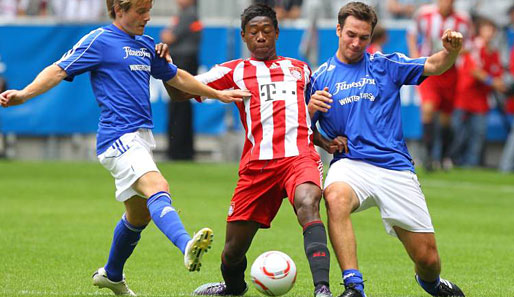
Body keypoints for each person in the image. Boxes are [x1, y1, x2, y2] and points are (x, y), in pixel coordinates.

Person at [0, 0, 249, 296]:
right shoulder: (99, 40)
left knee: (139, 215)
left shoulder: (146, 44)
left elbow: (177, 76)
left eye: (149, 10)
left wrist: (216, 94)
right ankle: (186, 246)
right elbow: (58, 69)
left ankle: (112, 275)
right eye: (141, 11)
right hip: (117, 137)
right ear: (119, 9)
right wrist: (24, 95)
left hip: (141, 138)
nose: (148, 17)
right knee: (158, 185)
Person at [167, 4, 333, 297]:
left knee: (308, 204)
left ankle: (322, 289)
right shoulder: (233, 71)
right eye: (253, 32)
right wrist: (166, 67)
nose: (260, 37)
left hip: (299, 157)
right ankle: (233, 287)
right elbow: (179, 92)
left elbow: (304, 116)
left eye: (266, 31)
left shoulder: (301, 69)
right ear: (244, 36)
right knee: (232, 252)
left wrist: (324, 141)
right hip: (258, 167)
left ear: (277, 33)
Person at [307, 2, 466, 297]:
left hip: (395, 167)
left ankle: (430, 282)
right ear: (338, 30)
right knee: (335, 197)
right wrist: (316, 124)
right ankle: (354, 286)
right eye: (351, 34)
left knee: (428, 260)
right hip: (350, 163)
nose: (356, 43)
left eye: (363, 37)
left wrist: (451, 51)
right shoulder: (319, 78)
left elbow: (433, 65)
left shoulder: (385, 64)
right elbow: (302, 129)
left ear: (371, 37)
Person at [407, 0, 471, 171]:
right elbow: (411, 33)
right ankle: (427, 155)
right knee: (428, 108)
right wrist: (414, 54)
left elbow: (469, 45)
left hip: (450, 71)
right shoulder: (424, 14)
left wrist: (453, 50)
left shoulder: (462, 20)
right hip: (429, 66)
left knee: (445, 118)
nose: (446, 3)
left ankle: (443, 156)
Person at [449, 17, 505, 167]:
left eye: (492, 30)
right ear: (480, 31)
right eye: (487, 29)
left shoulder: (493, 52)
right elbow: (475, 71)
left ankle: (470, 166)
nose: (490, 33)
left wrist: (498, 82)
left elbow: (497, 72)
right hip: (464, 97)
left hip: (481, 101)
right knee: (458, 135)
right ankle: (450, 161)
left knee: (478, 136)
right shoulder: (473, 47)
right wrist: (493, 82)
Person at [160, 0, 201, 160]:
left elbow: (169, 36)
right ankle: (183, 150)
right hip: (185, 61)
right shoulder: (189, 14)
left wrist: (167, 35)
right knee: (183, 108)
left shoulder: (188, 14)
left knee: (178, 106)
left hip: (183, 63)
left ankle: (177, 151)